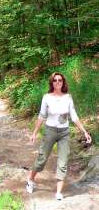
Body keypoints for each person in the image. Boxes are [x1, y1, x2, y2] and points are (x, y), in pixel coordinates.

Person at [26, 72, 92, 200]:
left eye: (60, 80)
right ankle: (30, 179)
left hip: (64, 133)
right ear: (52, 83)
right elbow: (41, 116)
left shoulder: (68, 97)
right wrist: (34, 132)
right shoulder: (47, 97)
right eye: (55, 80)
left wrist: (84, 132)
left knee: (63, 162)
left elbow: (74, 116)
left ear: (63, 82)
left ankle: (58, 193)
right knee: (42, 158)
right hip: (50, 131)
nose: (57, 82)